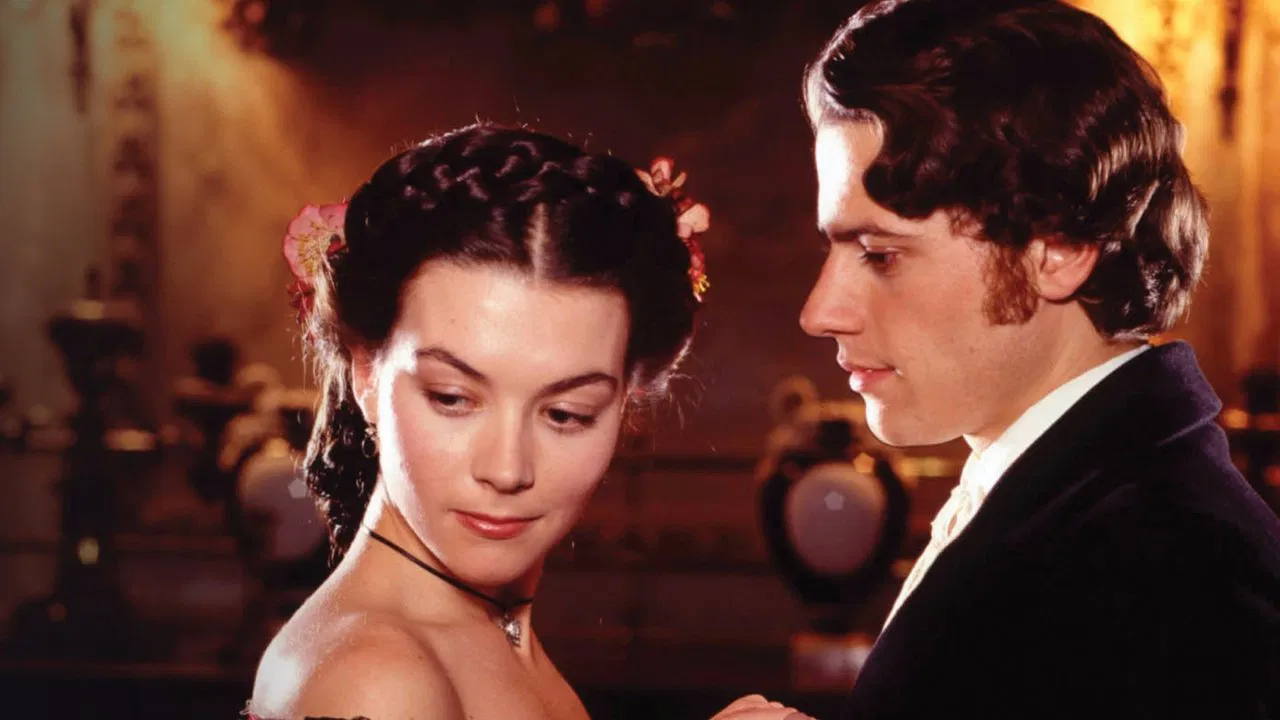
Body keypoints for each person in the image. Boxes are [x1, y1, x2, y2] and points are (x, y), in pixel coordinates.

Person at [798, 1, 1280, 717]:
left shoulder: (1174, 570)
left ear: (1059, 248)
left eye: (880, 254)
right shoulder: (1075, 503)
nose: (819, 312)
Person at [246, 124, 808, 720]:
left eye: (566, 414)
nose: (508, 469)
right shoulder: (378, 681)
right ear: (365, 371)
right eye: (452, 398)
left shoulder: (484, 635)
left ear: (628, 401)